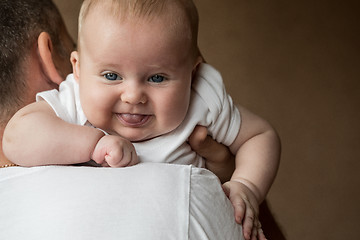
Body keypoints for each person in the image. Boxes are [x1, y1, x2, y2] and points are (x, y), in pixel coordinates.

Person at [3, 1, 281, 239]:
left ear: (193, 73)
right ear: (77, 69)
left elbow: (260, 136)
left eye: (157, 77)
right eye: (111, 75)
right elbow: (17, 137)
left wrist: (246, 186)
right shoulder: (76, 99)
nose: (133, 95)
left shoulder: (202, 99)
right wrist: (93, 145)